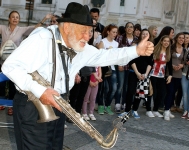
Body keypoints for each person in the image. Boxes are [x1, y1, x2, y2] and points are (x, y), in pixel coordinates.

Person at [2, 2, 154, 150]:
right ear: (67, 27)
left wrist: (136, 51)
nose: (88, 36)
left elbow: (106, 55)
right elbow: (10, 66)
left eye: (90, 31)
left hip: (58, 105)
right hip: (33, 105)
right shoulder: (42, 38)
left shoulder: (79, 46)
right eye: (84, 31)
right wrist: (40, 91)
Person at [0, 10, 52, 115]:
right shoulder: (3, 28)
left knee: (12, 84)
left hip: (15, 63)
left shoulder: (21, 29)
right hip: (2, 61)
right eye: (13, 17)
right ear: (9, 19)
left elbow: (35, 28)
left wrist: (45, 18)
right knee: (1, 84)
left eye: (17, 17)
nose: (15, 19)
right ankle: (1, 103)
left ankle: (11, 106)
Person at [118, 29, 153, 118]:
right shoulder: (135, 45)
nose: (145, 35)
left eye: (147, 34)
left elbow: (150, 63)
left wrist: (145, 74)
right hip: (134, 72)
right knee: (130, 91)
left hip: (144, 74)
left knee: (140, 93)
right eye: (143, 34)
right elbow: (132, 60)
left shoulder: (150, 47)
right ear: (140, 35)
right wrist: (137, 73)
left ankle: (135, 110)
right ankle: (127, 111)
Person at [114, 22, 138, 113]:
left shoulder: (136, 39)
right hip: (122, 65)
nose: (129, 28)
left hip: (131, 66)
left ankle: (124, 103)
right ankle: (117, 103)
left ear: (133, 29)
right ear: (125, 28)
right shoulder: (120, 38)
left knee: (127, 86)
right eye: (128, 27)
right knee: (120, 85)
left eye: (131, 27)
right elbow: (117, 52)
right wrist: (119, 64)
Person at [97, 24, 119, 115]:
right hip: (103, 67)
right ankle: (100, 106)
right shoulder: (103, 42)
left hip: (112, 67)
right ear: (108, 32)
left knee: (113, 88)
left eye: (116, 32)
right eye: (113, 32)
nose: (115, 34)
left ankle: (108, 105)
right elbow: (100, 55)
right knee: (102, 88)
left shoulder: (116, 44)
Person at [164, 32, 185, 120]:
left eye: (183, 38)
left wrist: (182, 65)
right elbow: (167, 58)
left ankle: (168, 109)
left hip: (179, 74)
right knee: (170, 91)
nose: (181, 39)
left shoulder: (184, 50)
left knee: (173, 93)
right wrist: (171, 66)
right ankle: (166, 110)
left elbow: (185, 61)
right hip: (170, 73)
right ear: (176, 38)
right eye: (180, 37)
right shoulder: (171, 48)